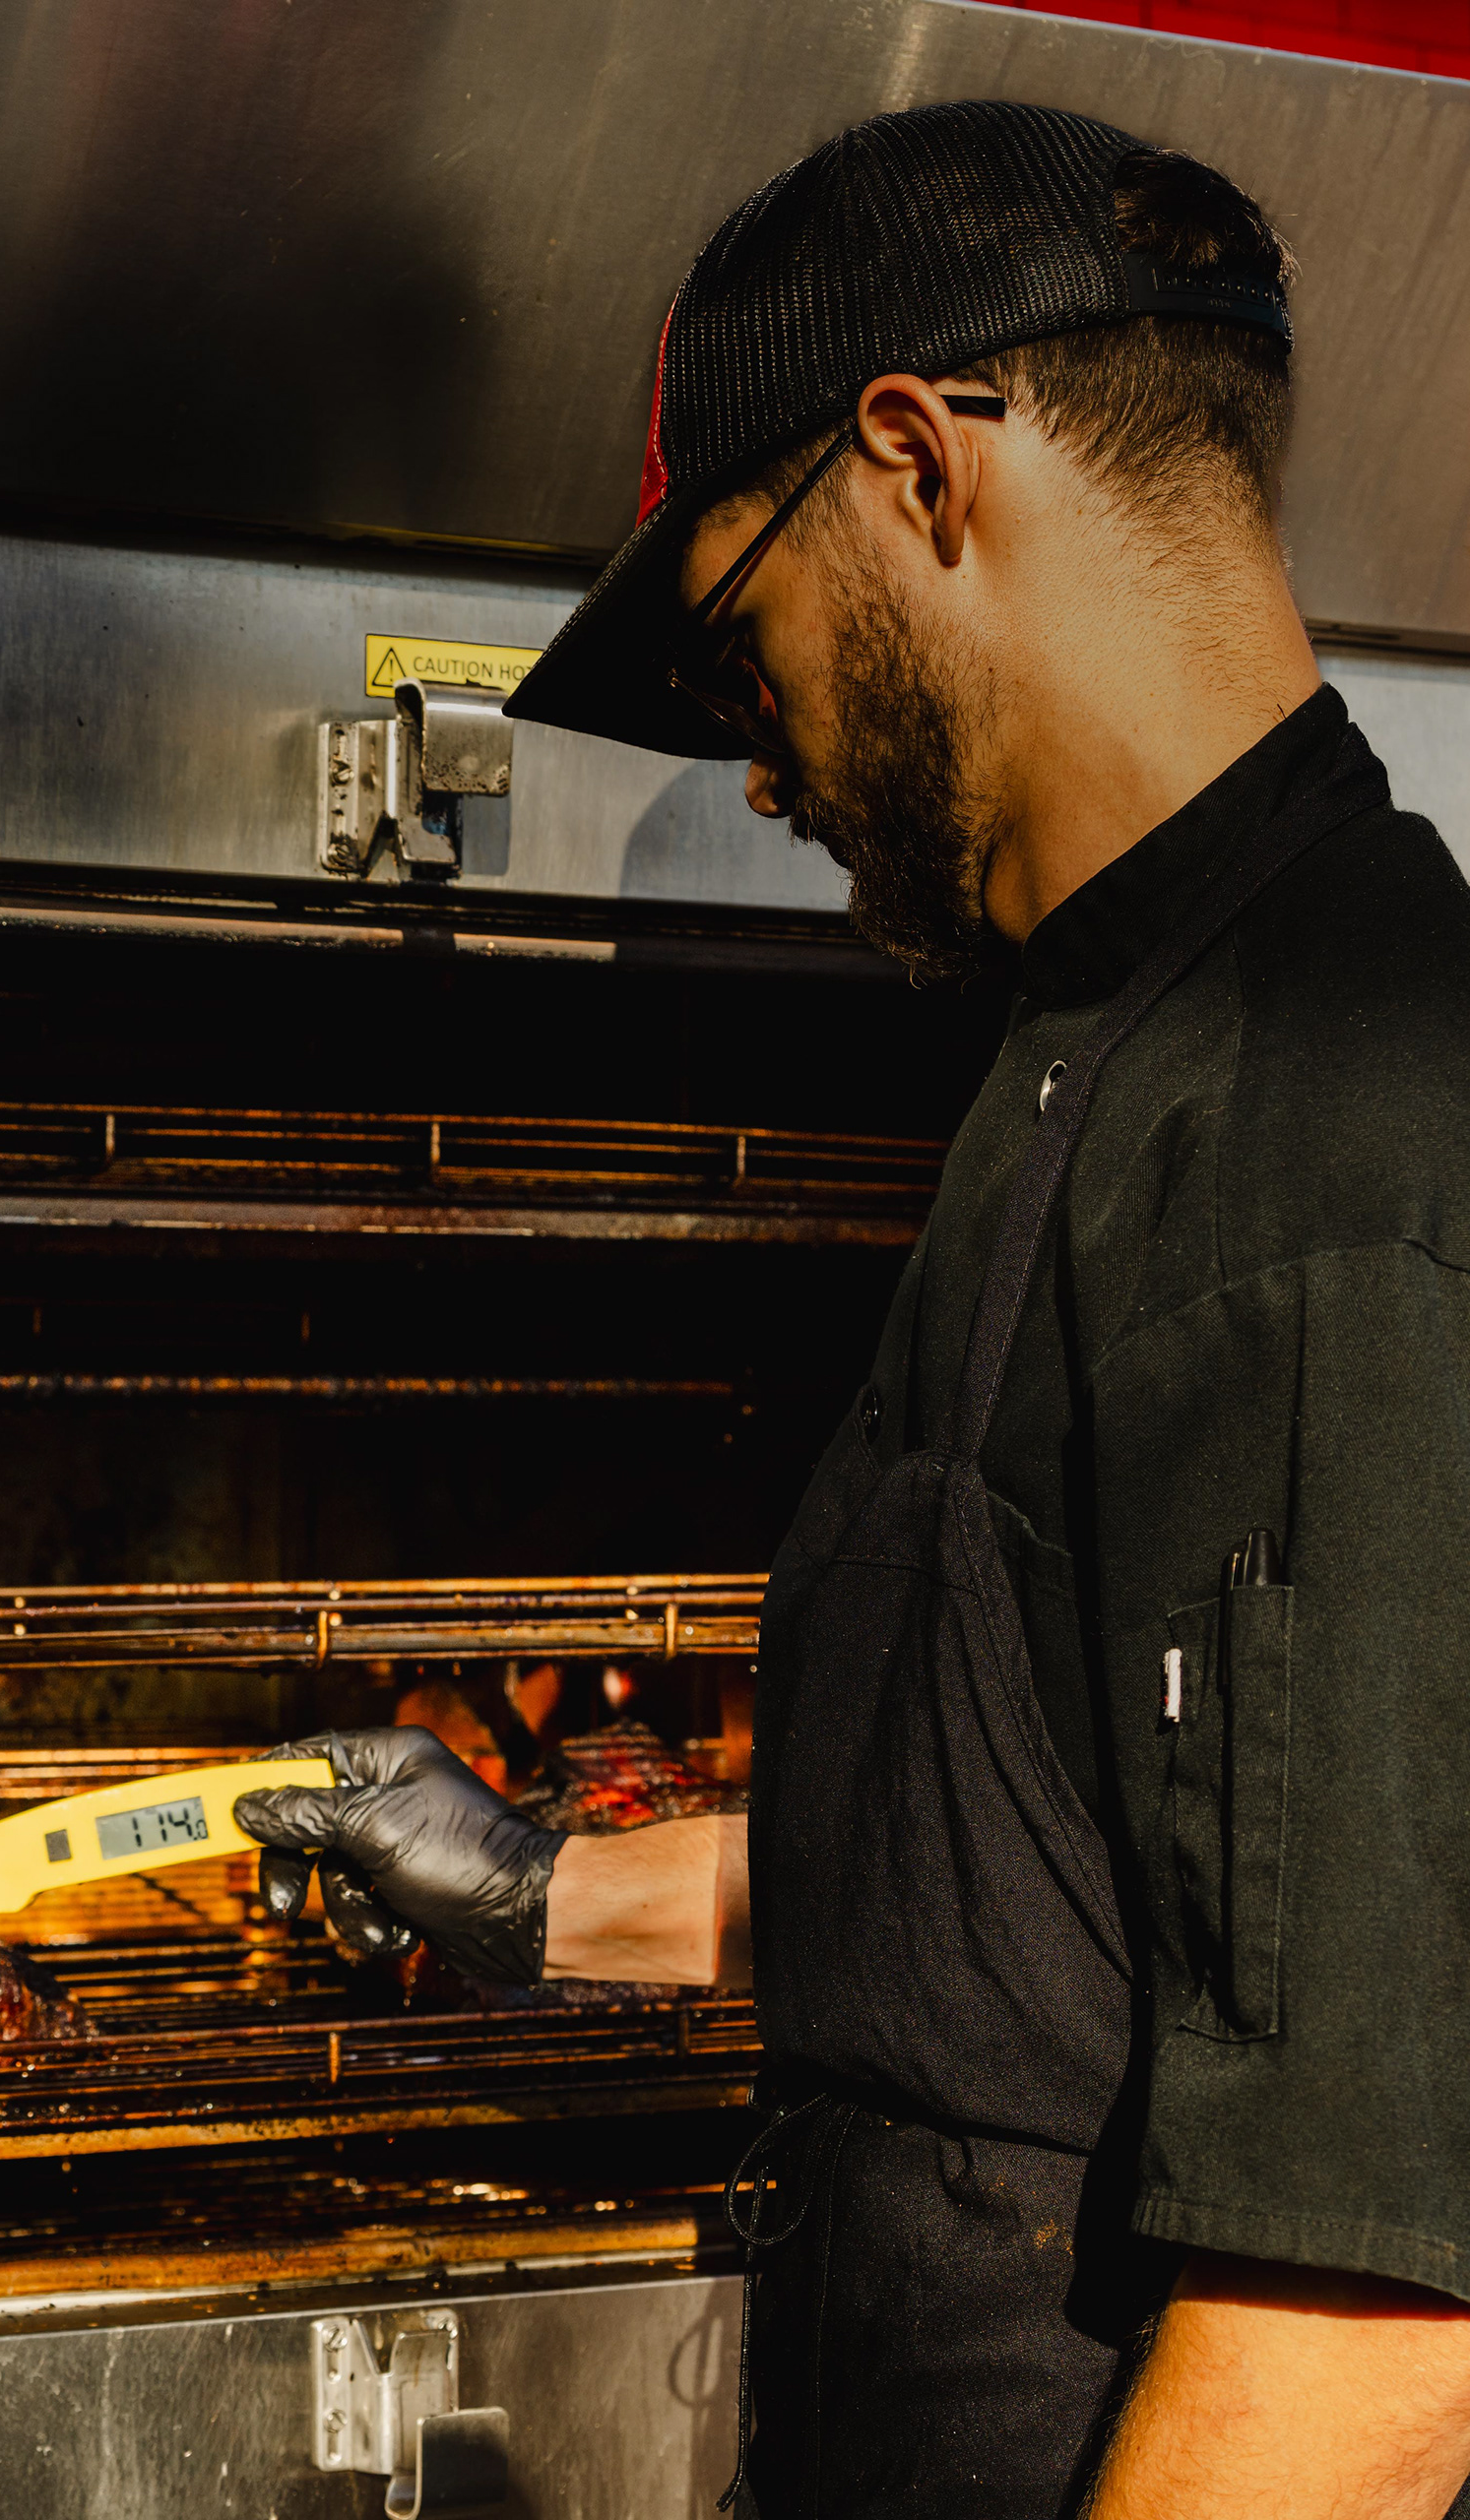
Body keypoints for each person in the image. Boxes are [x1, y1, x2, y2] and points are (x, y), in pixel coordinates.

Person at [233, 101, 1470, 2519]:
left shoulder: (1340, 1119)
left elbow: (1374, 2325)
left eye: (727, 638)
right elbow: (1092, 1885)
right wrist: (542, 1891)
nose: (756, 753)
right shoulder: (1097, 1041)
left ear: (918, 462)